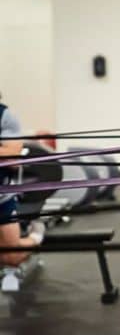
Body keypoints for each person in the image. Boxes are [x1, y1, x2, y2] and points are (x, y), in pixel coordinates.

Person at [0, 98, 45, 267]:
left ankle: (36, 236)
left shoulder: (4, 116)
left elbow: (12, 158)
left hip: (1, 198)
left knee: (11, 257)